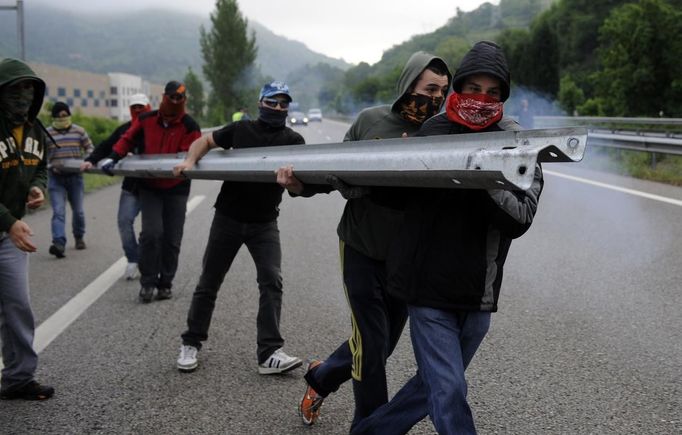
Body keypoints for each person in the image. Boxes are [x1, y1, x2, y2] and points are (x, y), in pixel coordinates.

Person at [350, 41, 544, 435]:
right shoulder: (433, 131)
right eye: (473, 88)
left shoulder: (518, 143)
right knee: (450, 388)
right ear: (459, 89)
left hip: (477, 295)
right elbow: (395, 199)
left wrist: (480, 173)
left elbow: (520, 217)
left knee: (431, 386)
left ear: (503, 96)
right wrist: (389, 168)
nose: (481, 99)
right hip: (427, 291)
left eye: (492, 92)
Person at [275, 52, 451, 428]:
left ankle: (321, 377)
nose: (436, 98)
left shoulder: (441, 132)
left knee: (382, 346)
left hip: (408, 259)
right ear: (409, 84)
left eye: (442, 91)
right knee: (370, 349)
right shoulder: (370, 120)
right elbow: (335, 174)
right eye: (429, 88)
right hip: (360, 247)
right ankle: (369, 427)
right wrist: (298, 185)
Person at [172, 81, 304, 376]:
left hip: (265, 222)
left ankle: (269, 353)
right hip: (228, 218)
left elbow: (300, 188)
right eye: (273, 102)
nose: (278, 108)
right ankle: (191, 343)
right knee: (209, 282)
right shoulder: (241, 130)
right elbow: (205, 141)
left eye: (284, 103)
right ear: (260, 103)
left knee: (272, 282)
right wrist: (188, 161)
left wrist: (292, 183)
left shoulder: (294, 140)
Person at [102, 81, 200, 302]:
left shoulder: (190, 125)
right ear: (164, 97)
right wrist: (114, 156)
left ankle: (165, 283)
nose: (174, 102)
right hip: (150, 187)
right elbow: (127, 139)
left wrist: (186, 164)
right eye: (171, 98)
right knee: (151, 234)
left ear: (183, 101)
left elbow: (192, 153)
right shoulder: (146, 120)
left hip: (177, 188)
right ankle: (147, 282)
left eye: (179, 99)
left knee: (172, 238)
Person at [0, 58, 54, 400]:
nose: (23, 95)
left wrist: (38, 187)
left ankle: (19, 378)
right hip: (10, 226)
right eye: (15, 88)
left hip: (10, 234)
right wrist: (9, 221)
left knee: (17, 305)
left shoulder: (35, 130)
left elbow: (41, 168)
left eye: (29, 88)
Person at [80, 94, 151, 280]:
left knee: (151, 230)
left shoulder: (156, 129)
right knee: (123, 222)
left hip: (155, 187)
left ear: (149, 107)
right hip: (131, 186)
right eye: (134, 107)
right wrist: (91, 160)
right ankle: (133, 259)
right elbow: (106, 146)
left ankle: (147, 262)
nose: (138, 110)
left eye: (141, 107)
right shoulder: (125, 130)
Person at [46, 101, 93, 258]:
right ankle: (59, 243)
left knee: (78, 211)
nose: (62, 118)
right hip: (55, 177)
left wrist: (84, 162)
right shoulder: (47, 134)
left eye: (65, 115)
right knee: (58, 211)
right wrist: (49, 165)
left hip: (75, 177)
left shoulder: (79, 131)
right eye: (59, 117)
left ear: (69, 115)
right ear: (53, 118)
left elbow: (90, 148)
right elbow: (40, 156)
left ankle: (79, 236)